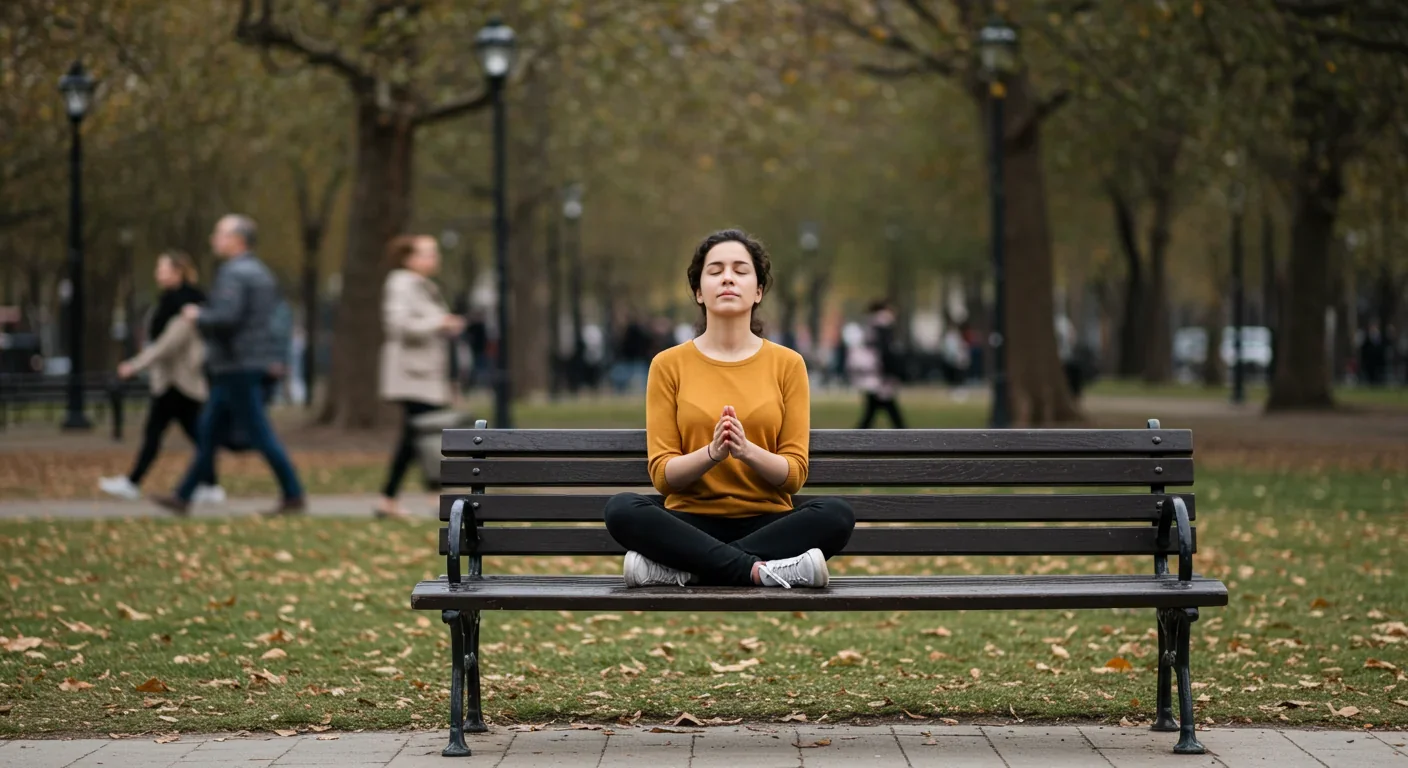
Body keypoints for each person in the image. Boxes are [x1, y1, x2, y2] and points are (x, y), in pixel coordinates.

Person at [602, 229, 854, 589]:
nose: (728, 278)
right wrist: (712, 453)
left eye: (740, 270)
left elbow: (794, 475)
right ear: (699, 292)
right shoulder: (668, 364)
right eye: (715, 270)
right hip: (688, 520)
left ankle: (687, 570)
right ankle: (760, 571)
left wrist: (746, 451)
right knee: (622, 510)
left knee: (836, 515)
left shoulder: (788, 364)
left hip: (769, 521)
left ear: (759, 290)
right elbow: (662, 474)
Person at [152, 214, 305, 516]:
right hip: (244, 362)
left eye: (219, 233)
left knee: (258, 433)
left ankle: (293, 492)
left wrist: (198, 315)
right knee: (209, 432)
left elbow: (228, 317)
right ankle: (183, 496)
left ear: (237, 240)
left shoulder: (235, 274)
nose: (213, 239)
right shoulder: (261, 273)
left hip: (237, 364)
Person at [99, 252, 223, 503]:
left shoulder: (186, 308)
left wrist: (133, 366)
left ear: (177, 272)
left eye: (162, 268)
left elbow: (166, 345)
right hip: (173, 382)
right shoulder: (168, 303)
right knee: (194, 435)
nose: (158, 273)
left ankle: (134, 483)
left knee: (162, 433)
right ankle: (209, 485)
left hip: (178, 382)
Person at [376, 235, 464, 519]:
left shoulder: (424, 287)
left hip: (425, 374)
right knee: (423, 432)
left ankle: (392, 497)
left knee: (416, 434)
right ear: (409, 258)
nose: (433, 259)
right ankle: (429, 494)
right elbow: (397, 324)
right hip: (411, 374)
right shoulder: (401, 284)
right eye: (427, 254)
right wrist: (439, 322)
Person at [854, 300, 907, 429]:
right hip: (880, 375)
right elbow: (886, 353)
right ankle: (905, 435)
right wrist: (892, 373)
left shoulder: (870, 326)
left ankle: (858, 435)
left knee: (872, 411)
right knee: (887, 408)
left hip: (872, 375)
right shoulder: (884, 326)